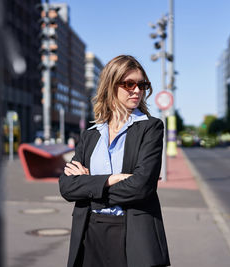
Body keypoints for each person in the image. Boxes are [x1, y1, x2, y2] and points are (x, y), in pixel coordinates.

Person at [59, 55, 170, 267]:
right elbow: (66, 187)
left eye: (142, 84)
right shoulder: (90, 134)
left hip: (133, 235)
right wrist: (113, 179)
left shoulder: (151, 128)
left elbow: (140, 187)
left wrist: (90, 186)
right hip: (89, 233)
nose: (137, 90)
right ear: (111, 85)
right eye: (129, 84)